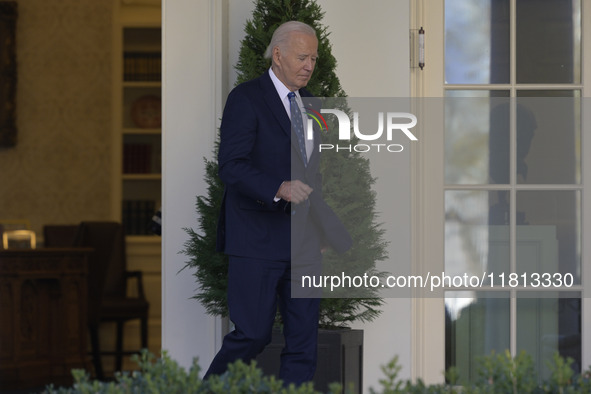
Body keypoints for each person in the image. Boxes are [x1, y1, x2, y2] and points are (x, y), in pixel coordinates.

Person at [203, 21, 351, 386]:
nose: (309, 65)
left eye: (314, 58)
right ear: (278, 54)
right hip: (256, 239)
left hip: (303, 243)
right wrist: (278, 187)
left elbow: (312, 174)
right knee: (252, 334)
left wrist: (319, 230)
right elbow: (231, 165)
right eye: (302, 57)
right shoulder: (246, 97)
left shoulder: (313, 103)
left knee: (304, 344)